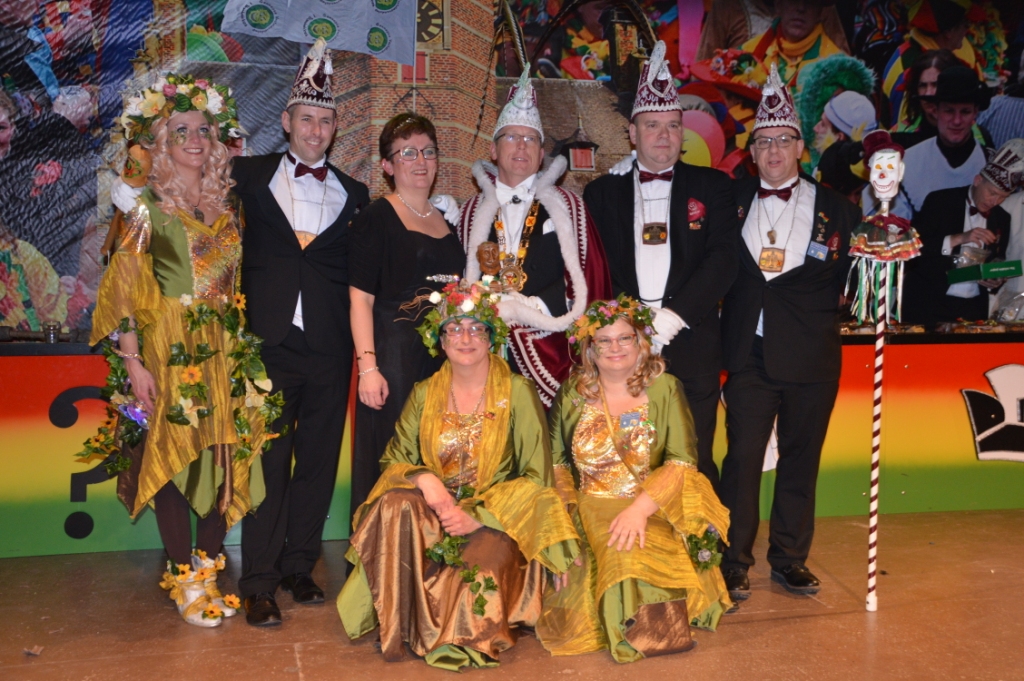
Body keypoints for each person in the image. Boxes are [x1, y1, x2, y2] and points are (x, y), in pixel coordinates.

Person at [88, 73, 273, 627]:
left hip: (224, 348)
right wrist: (133, 362)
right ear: (162, 143)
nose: (195, 139)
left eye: (203, 130)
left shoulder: (231, 208)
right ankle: (183, 578)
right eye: (181, 131)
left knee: (223, 456)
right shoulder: (146, 208)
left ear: (217, 141)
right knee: (170, 455)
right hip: (168, 347)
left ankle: (208, 567)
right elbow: (123, 286)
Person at [336, 282, 579, 671]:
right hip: (434, 516)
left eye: (476, 329)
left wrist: (478, 516)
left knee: (474, 590)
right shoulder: (424, 392)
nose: (465, 339)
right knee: (394, 503)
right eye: (454, 329)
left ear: (491, 338)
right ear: (441, 340)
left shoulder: (518, 391)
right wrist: (424, 479)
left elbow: (537, 477)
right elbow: (394, 460)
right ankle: (398, 620)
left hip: (497, 519)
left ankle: (441, 628)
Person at [231, 39, 370, 627]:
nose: (316, 130)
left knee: (317, 462)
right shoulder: (245, 176)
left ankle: (298, 566)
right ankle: (258, 581)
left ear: (336, 128)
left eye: (325, 121)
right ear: (287, 121)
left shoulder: (356, 194)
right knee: (267, 463)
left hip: (330, 349)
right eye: (306, 119)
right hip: (266, 343)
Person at [718, 64, 859, 601]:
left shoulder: (840, 210)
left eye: (783, 140)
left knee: (801, 460)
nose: (773, 150)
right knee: (742, 461)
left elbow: (858, 279)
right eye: (763, 142)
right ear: (751, 153)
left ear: (800, 146)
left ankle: (790, 558)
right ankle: (733, 560)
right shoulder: (729, 204)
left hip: (811, 356)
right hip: (749, 355)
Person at [537, 296, 733, 663]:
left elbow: (682, 459)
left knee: (647, 545)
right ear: (590, 349)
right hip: (590, 500)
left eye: (624, 338)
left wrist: (639, 510)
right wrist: (563, 519)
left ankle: (660, 628)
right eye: (604, 340)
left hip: (655, 500)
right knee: (620, 550)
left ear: (640, 342)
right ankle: (634, 634)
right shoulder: (572, 392)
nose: (615, 347)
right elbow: (556, 464)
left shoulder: (665, 388)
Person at [584, 41, 739, 491]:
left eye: (673, 125)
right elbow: (598, 269)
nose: (664, 136)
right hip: (623, 349)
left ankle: (701, 535)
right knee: (630, 454)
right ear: (632, 133)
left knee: (694, 454)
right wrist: (631, 325)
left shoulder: (714, 186)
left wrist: (671, 319)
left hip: (693, 343)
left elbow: (723, 260)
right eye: (652, 125)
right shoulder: (601, 193)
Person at [457, 67, 612, 407]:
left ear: (542, 155)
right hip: (486, 350)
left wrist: (532, 305)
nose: (521, 146)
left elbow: (590, 274)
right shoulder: (469, 213)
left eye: (531, 140)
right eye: (511, 137)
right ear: (494, 150)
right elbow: (457, 283)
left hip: (552, 352)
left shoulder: (568, 206)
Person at [348, 112, 465, 534]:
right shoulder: (376, 217)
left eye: (428, 152)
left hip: (440, 362)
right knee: (396, 454)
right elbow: (360, 299)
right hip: (393, 360)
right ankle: (382, 554)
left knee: (436, 452)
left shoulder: (446, 222)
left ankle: (433, 550)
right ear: (387, 165)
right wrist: (368, 368)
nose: (421, 161)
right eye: (408, 153)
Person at [903, 139, 1023, 326]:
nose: (994, 202)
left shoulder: (1001, 218)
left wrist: (994, 279)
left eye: (1002, 197)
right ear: (978, 180)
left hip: (972, 308)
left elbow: (996, 259)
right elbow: (912, 248)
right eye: (992, 193)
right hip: (929, 303)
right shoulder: (941, 201)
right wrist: (959, 238)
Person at [889, 65, 991, 220]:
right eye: (949, 111)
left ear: (975, 113)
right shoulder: (907, 164)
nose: (957, 121)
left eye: (965, 111)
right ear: (935, 111)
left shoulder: (990, 164)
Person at [882, 0, 982, 129]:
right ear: (949, 31)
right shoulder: (914, 72)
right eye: (966, 24)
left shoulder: (913, 51)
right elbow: (905, 130)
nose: (967, 31)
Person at [739, 0, 847, 94]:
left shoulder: (838, 67)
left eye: (809, 2)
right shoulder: (745, 53)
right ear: (778, 5)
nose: (801, 8)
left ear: (819, 12)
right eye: (793, 0)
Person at [695, 0, 849, 62]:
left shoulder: (821, 8)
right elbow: (704, 71)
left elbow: (843, 67)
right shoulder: (727, 6)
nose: (801, 8)